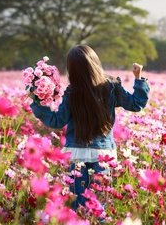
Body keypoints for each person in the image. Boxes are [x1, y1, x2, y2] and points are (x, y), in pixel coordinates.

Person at [29, 45, 150, 210]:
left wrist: (37, 101)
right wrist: (138, 78)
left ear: (72, 70)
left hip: (76, 153)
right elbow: (136, 104)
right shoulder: (111, 87)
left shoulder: (73, 92)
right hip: (103, 154)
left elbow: (57, 121)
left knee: (77, 202)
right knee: (97, 203)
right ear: (95, 63)